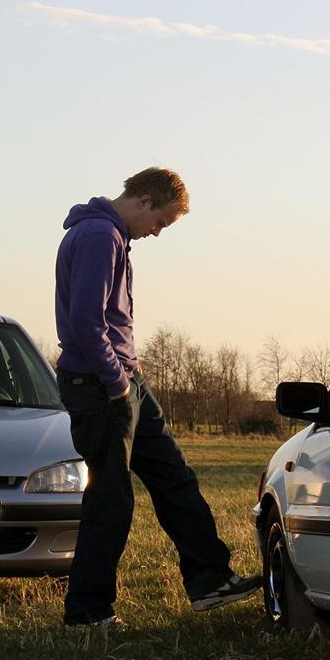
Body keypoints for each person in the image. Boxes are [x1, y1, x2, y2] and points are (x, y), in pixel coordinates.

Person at [54, 167, 260, 628]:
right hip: (101, 386)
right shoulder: (98, 236)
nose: (157, 233)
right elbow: (86, 321)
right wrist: (116, 381)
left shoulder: (110, 237)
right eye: (161, 223)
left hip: (125, 380)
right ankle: (87, 611)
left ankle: (210, 580)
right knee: (111, 499)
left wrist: (130, 373)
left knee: (174, 478)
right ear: (145, 201)